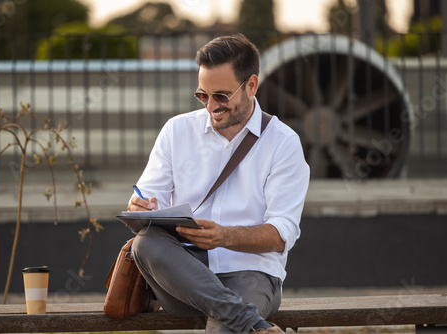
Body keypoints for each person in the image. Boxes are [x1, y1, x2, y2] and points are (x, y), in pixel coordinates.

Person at [127, 34, 310, 334]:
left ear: (251, 85)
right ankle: (253, 324)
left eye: (222, 96)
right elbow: (148, 199)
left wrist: (224, 237)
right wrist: (140, 206)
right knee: (145, 243)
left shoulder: (284, 143)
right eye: (203, 95)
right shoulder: (177, 131)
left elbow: (281, 234)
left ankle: (242, 320)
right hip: (184, 277)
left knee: (223, 329)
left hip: (252, 275)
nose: (211, 105)